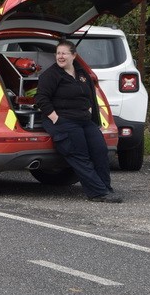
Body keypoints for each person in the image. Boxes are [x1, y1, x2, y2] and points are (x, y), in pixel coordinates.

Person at [35, 39, 121, 203]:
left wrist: (91, 114)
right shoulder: (51, 75)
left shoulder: (82, 74)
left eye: (64, 53)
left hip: (84, 121)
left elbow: (90, 96)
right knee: (79, 155)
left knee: (100, 151)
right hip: (63, 121)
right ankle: (97, 193)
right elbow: (41, 98)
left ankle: (105, 188)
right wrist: (56, 119)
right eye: (58, 53)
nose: (60, 57)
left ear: (73, 55)